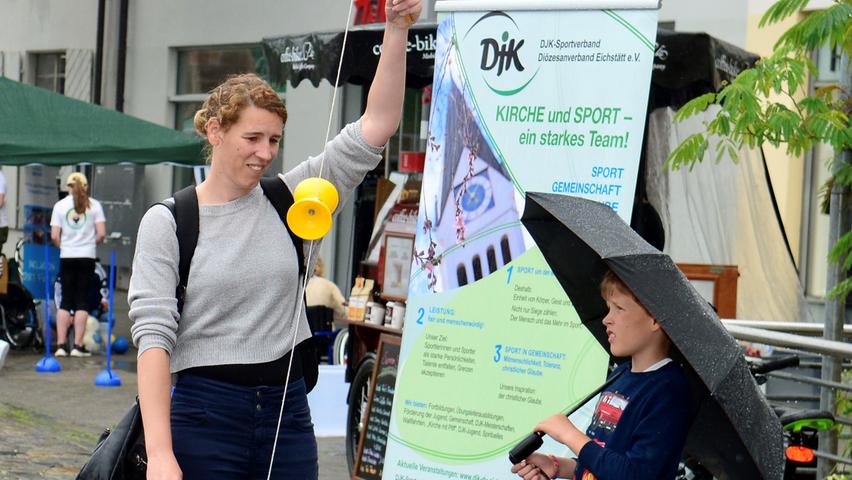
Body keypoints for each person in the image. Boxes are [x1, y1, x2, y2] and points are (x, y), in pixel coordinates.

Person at [128, 1, 421, 478]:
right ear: (216, 130)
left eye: (275, 140)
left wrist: (396, 28)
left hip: (288, 413)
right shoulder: (170, 222)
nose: (265, 152)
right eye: (253, 138)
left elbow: (377, 125)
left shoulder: (294, 198)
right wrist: (161, 454)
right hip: (203, 416)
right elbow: (153, 341)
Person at [511, 270, 691, 480]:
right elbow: (604, 458)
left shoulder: (668, 390)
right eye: (608, 309)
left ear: (655, 319)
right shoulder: (620, 374)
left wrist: (570, 435)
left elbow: (634, 474)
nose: (607, 319)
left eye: (619, 308)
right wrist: (559, 466)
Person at [50, 172, 106, 357]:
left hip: (67, 255)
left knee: (66, 300)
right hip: (87, 256)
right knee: (82, 300)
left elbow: (54, 236)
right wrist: (89, 245)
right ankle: (77, 346)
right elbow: (101, 234)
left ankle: (60, 345)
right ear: (86, 186)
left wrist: (65, 246)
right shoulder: (95, 205)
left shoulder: (60, 206)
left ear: (68, 187)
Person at [305, 256, 346, 321]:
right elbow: (343, 311)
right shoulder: (329, 286)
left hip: (303, 329)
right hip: (323, 329)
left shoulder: (301, 287)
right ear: (321, 268)